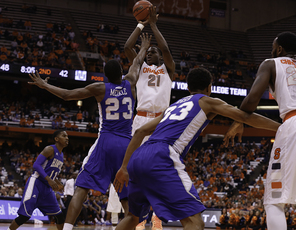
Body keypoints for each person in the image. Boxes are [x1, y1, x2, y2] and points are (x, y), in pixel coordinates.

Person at [113, 67, 280, 230]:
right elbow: (245, 115)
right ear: (209, 88)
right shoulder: (207, 101)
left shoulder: (173, 106)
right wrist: (281, 127)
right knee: (195, 222)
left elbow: (140, 131)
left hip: (138, 156)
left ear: (188, 88)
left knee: (132, 217)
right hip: (162, 155)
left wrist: (123, 167)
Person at [28, 33, 152, 230]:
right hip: (126, 146)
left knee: (82, 188)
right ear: (121, 71)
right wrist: (144, 46)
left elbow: (68, 95)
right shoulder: (130, 82)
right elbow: (137, 62)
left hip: (105, 142)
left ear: (105, 75)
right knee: (126, 197)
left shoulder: (100, 87)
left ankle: (67, 229)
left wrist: (44, 85)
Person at [223, 31, 296, 230]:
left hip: (294, 123)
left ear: (279, 49)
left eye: (273, 47)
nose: (271, 50)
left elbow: (252, 99)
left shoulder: (271, 63)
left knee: (274, 201)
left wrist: (239, 119)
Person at [113, 5, 175, 230]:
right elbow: (128, 46)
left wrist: (154, 26)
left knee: (158, 168)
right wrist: (141, 25)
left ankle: (157, 215)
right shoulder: (140, 67)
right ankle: (137, 216)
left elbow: (166, 49)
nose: (151, 53)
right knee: (136, 167)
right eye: (149, 52)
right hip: (140, 119)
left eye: (153, 52)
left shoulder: (168, 70)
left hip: (161, 121)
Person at [7, 130, 68, 230]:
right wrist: (49, 179)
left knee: (59, 216)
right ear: (56, 139)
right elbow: (36, 165)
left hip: (47, 189)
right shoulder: (49, 149)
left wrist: (58, 183)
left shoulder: (61, 156)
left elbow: (51, 173)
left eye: (67, 136)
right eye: (64, 136)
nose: (67, 138)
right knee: (24, 216)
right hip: (36, 183)